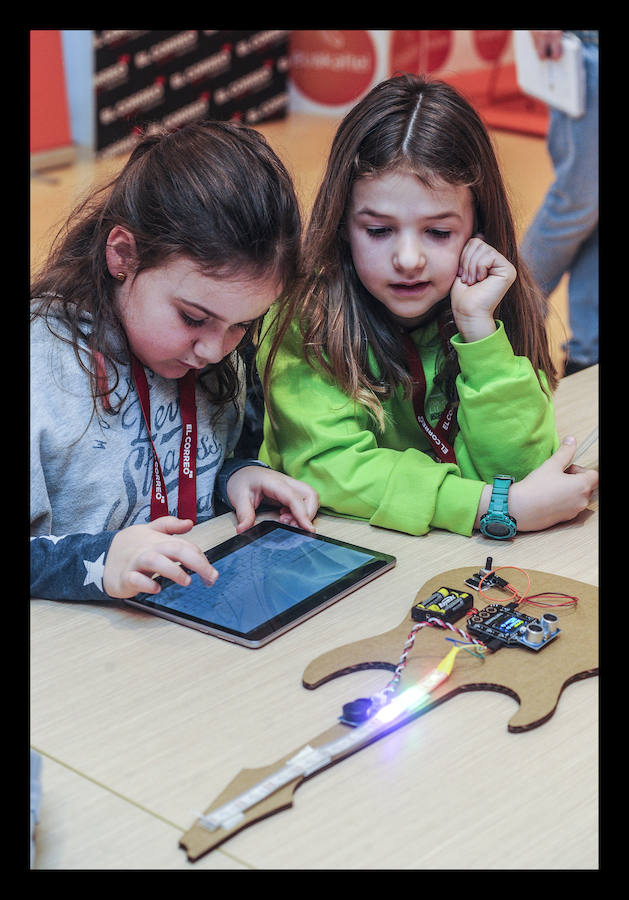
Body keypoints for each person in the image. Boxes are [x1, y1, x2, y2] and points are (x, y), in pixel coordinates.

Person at [257, 74, 597, 538]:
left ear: (478, 229)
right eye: (379, 230)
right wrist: (488, 505)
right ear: (342, 225)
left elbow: (525, 474)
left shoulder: (491, 304)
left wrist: (479, 333)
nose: (408, 259)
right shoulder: (308, 316)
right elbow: (328, 467)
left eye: (438, 233)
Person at [30, 120, 319, 603]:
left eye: (243, 324)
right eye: (193, 318)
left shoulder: (215, 350)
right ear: (123, 256)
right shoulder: (42, 365)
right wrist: (98, 563)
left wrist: (234, 477)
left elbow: (181, 474)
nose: (214, 351)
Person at [520, 30, 598, 374]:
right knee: (575, 204)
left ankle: (588, 351)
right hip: (588, 51)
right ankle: (503, 315)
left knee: (589, 209)